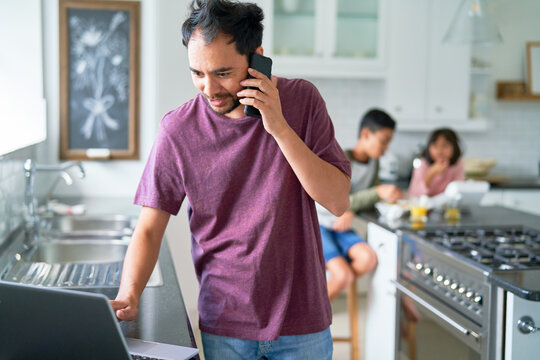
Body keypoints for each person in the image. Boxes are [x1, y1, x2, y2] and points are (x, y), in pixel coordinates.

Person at [110, 1, 351, 359]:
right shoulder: (178, 130)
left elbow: (337, 200)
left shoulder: (302, 101)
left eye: (223, 72)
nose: (209, 88)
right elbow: (149, 227)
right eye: (198, 73)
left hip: (302, 320)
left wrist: (279, 127)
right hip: (226, 322)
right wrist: (129, 294)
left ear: (256, 59)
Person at [317, 109, 404, 301]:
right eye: (384, 141)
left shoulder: (374, 165)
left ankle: (323, 293)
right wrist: (377, 192)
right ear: (365, 134)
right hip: (320, 226)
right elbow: (333, 201)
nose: (385, 148)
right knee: (343, 275)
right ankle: (313, 310)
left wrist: (353, 209)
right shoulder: (341, 159)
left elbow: (362, 202)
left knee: (368, 259)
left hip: (341, 227)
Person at [408, 127, 465, 197]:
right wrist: (431, 173)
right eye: (435, 145)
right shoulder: (423, 164)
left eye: (445, 145)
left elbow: (459, 190)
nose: (440, 150)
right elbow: (414, 194)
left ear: (454, 148)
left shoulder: (457, 164)